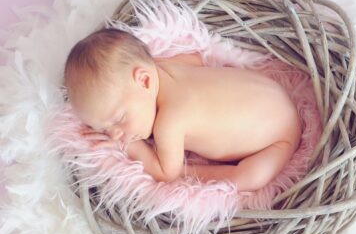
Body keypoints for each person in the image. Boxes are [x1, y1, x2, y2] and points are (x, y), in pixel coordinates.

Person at [64, 28, 302, 192]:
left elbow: (166, 173)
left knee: (250, 178)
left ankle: (196, 171)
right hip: (272, 91)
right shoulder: (164, 66)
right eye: (103, 130)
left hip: (279, 138)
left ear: (145, 81)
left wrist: (131, 146)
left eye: (119, 119)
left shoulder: (169, 121)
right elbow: (196, 59)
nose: (115, 134)